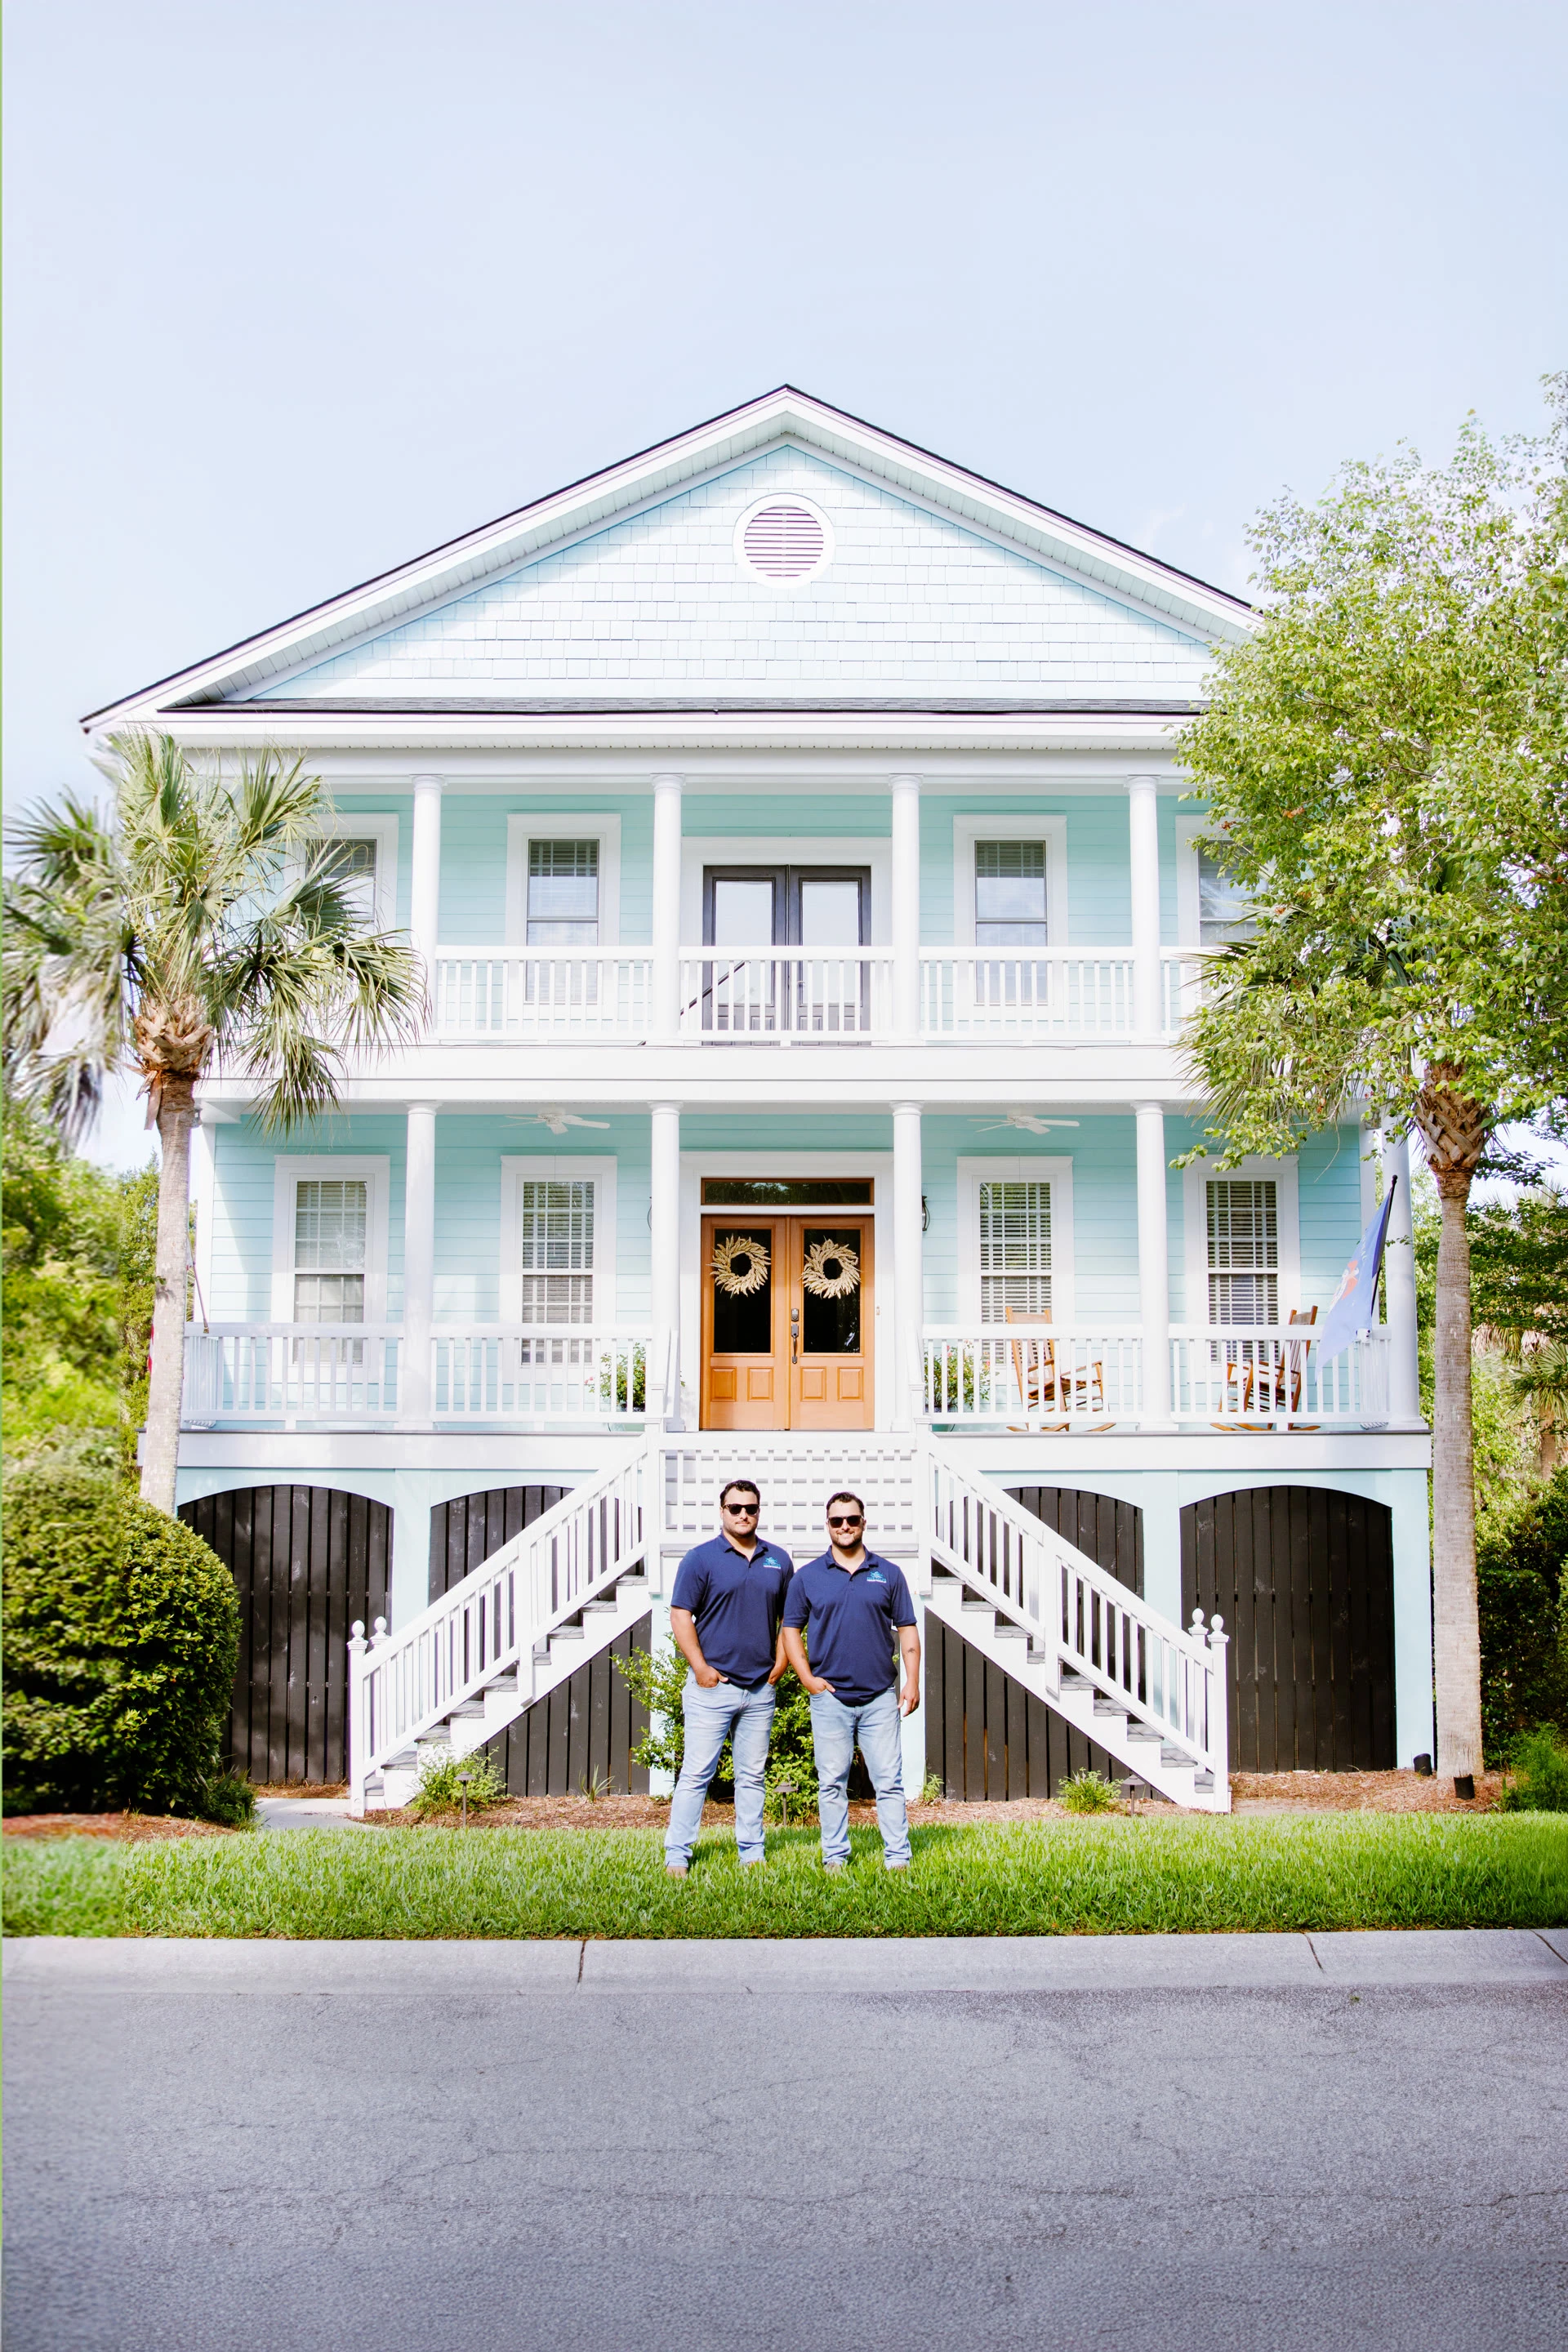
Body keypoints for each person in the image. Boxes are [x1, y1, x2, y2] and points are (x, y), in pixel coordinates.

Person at [782, 1491, 920, 1873]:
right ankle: (835, 1857)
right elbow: (790, 1630)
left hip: (879, 1697)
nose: (845, 1526)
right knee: (831, 1783)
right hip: (831, 1700)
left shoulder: (888, 1573)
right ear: (827, 1525)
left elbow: (907, 1630)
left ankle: (898, 1858)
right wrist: (808, 1678)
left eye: (852, 1519)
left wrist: (912, 1682)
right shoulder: (808, 1577)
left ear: (863, 1522)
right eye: (837, 1520)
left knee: (889, 1782)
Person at [663, 1478, 794, 1878]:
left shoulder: (779, 1560)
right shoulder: (700, 1559)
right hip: (712, 1689)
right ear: (722, 1512)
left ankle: (752, 1853)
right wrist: (700, 1669)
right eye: (735, 1508)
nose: (743, 1515)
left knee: (752, 1776)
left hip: (759, 1690)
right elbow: (680, 1614)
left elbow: (791, 1619)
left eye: (750, 1508)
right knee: (696, 1774)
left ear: (759, 1511)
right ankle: (677, 1856)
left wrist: (782, 1663)